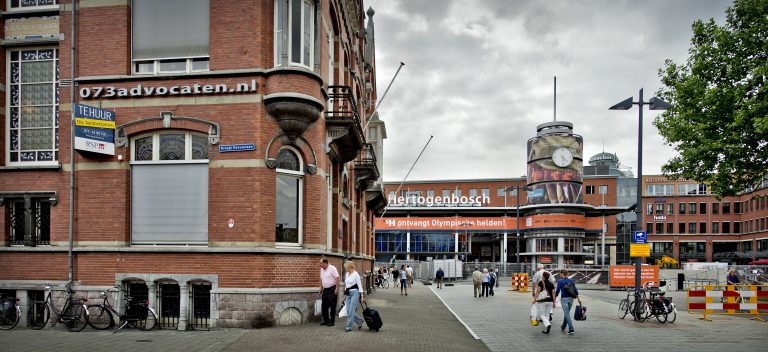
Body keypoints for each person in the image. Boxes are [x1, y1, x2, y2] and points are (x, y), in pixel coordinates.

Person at [555, 269, 582, 335]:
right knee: (567, 313)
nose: (560, 275)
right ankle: (563, 326)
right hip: (571, 299)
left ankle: (571, 328)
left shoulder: (560, 281)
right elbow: (575, 290)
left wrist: (554, 297)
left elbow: (558, 290)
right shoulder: (571, 281)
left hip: (564, 299)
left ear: (562, 274)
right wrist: (578, 298)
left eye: (560, 274)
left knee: (567, 314)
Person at [342, 261, 365, 332]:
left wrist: (362, 296)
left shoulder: (356, 274)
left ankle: (348, 327)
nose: (345, 269)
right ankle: (360, 321)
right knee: (349, 310)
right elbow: (346, 284)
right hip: (348, 293)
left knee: (351, 311)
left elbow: (360, 286)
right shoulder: (347, 274)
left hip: (355, 293)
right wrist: (345, 293)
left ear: (349, 267)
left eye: (346, 267)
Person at [319, 258, 340, 327]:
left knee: (332, 306)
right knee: (324, 306)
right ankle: (326, 320)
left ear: (326, 263)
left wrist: (337, 288)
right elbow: (321, 279)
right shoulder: (322, 269)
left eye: (321, 263)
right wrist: (321, 287)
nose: (320, 265)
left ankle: (332, 321)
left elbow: (337, 278)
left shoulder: (332, 268)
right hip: (325, 289)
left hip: (332, 289)